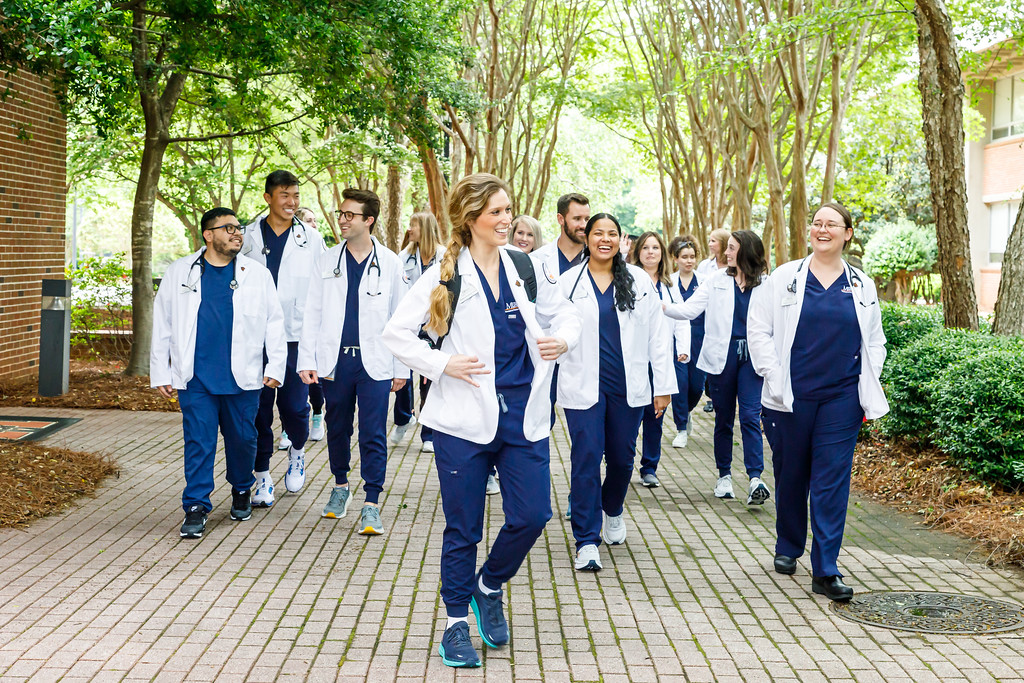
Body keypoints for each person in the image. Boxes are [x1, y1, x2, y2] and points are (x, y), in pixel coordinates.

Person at [382, 173, 581, 668]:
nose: (506, 219)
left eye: (508, 209)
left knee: (533, 515)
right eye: (496, 212)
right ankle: (455, 624)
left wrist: (564, 340)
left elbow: (567, 314)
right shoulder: (444, 273)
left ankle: (488, 585)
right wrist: (440, 363)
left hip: (523, 417)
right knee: (464, 528)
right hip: (462, 421)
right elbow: (396, 333)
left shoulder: (525, 266)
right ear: (471, 219)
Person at [748, 202, 888, 602]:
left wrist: (868, 377)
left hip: (842, 398)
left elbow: (875, 340)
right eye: (817, 223)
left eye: (832, 224)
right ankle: (789, 543)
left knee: (831, 480)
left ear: (848, 233)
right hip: (790, 396)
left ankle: (826, 569)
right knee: (791, 473)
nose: (822, 230)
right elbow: (758, 329)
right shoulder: (784, 278)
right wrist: (773, 374)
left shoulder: (861, 284)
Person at [151, 207, 286, 539]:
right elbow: (163, 322)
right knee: (199, 442)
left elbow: (274, 323)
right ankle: (196, 506)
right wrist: (161, 371)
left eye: (239, 228)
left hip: (243, 376)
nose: (237, 233)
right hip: (195, 376)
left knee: (243, 440)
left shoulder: (257, 274)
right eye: (228, 228)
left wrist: (275, 366)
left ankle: (241, 487)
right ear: (208, 235)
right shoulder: (180, 271)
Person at [559, 214, 676, 571]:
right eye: (598, 233)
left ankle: (612, 508)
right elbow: (553, 330)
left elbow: (658, 336)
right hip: (583, 386)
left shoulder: (639, 281)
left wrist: (663, 386)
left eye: (612, 234)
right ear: (587, 238)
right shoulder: (568, 283)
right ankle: (586, 541)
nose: (605, 239)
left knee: (623, 460)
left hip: (628, 387)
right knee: (586, 458)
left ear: (620, 240)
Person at [297, 188, 408, 536]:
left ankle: (371, 503)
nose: (342, 220)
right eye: (341, 214)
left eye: (350, 215)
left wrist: (401, 368)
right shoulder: (327, 260)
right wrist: (307, 359)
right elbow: (312, 312)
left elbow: (400, 319)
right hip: (336, 361)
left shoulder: (390, 263)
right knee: (338, 426)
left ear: (369, 220)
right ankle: (340, 486)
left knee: (373, 432)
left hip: (376, 362)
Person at [663, 230, 771, 506]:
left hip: (752, 358)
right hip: (722, 358)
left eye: (732, 248)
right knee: (723, 418)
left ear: (746, 251)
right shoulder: (716, 280)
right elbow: (688, 310)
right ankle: (724, 476)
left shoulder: (766, 284)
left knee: (750, 416)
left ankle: (755, 478)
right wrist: (658, 305)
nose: (726, 253)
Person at [241, 171, 327, 508]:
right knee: (258, 411)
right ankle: (262, 476)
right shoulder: (246, 237)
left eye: (295, 195)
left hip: (294, 336)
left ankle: (297, 452)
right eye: (284, 195)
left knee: (293, 407)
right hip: (255, 338)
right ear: (268, 198)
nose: (292, 202)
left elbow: (324, 287)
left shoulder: (312, 239)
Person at [629, 231, 689, 489]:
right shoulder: (628, 279)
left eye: (655, 247)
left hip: (661, 359)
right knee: (630, 415)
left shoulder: (670, 285)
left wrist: (682, 349)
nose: (650, 252)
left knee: (656, 415)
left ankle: (649, 467)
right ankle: (620, 462)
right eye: (645, 247)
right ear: (638, 252)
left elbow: (682, 318)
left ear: (662, 253)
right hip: (634, 358)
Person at [394, 212, 446, 454]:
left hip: (433, 326)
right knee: (402, 376)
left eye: (413, 225)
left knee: (428, 381)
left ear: (424, 228)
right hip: (409, 325)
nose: (409, 229)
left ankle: (429, 434)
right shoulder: (403, 257)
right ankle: (404, 417)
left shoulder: (445, 256)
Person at [668, 235, 706, 448]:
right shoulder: (669, 282)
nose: (689, 261)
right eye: (684, 257)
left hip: (700, 338)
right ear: (675, 259)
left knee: (696, 386)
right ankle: (681, 428)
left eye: (692, 256)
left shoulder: (704, 282)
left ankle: (687, 412)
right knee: (680, 384)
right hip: (677, 339)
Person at [295, 206, 326, 442]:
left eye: (314, 220)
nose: (313, 225)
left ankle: (317, 413)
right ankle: (290, 426)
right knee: (291, 382)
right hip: (291, 324)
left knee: (314, 376)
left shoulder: (318, 245)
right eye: (308, 220)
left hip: (313, 319)